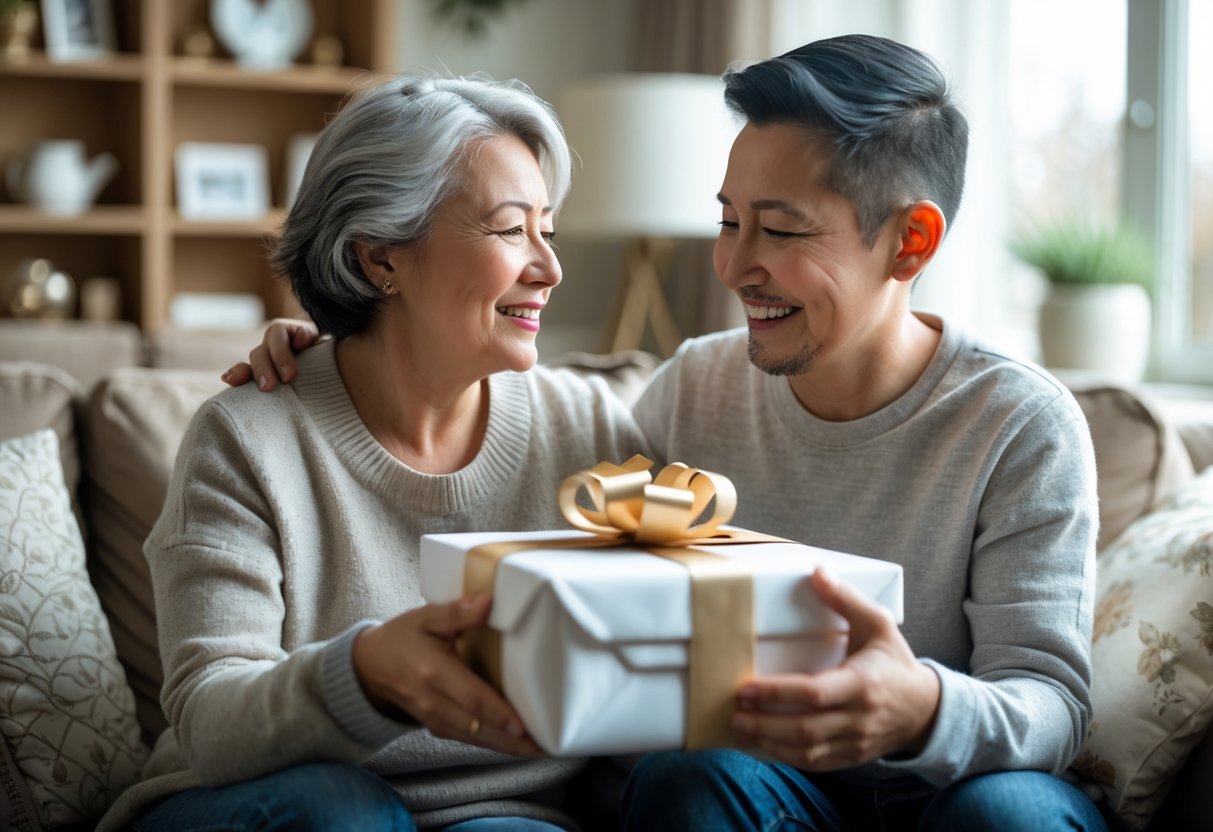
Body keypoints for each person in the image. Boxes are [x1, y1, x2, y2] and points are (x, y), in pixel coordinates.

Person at [233, 35, 1107, 831]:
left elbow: (1051, 706)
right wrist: (336, 348)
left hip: (946, 796)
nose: (731, 266)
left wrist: (920, 708)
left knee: (1018, 814)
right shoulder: (693, 389)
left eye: (781, 229)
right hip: (756, 794)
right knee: (692, 777)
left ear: (909, 242)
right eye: (729, 221)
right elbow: (525, 459)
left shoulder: (1020, 424)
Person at [97, 73, 647, 832]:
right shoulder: (247, 438)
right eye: (509, 228)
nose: (548, 269)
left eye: (545, 230)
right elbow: (211, 721)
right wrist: (366, 675)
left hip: (503, 811)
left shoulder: (590, 430)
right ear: (379, 259)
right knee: (346, 814)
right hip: (269, 802)